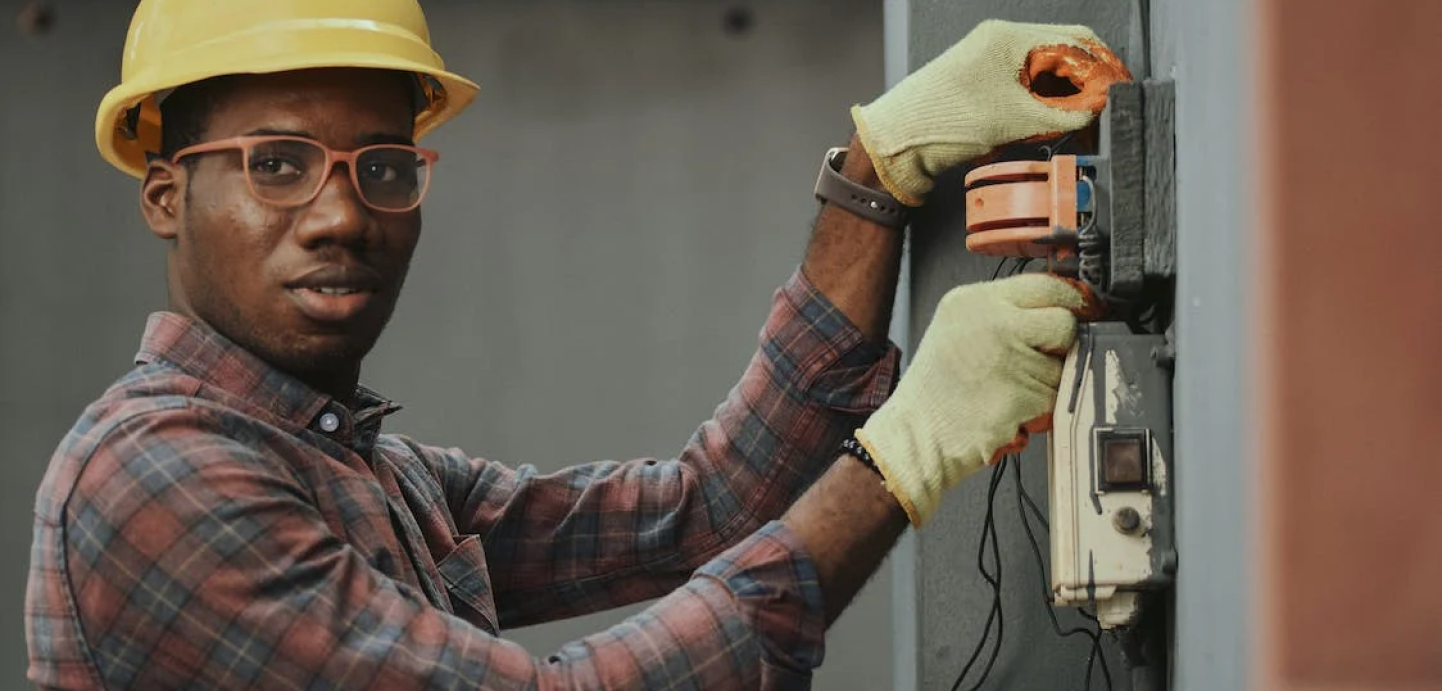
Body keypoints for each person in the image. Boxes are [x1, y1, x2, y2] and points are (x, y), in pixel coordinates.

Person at [24, 1, 1123, 689]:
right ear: (165, 196)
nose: (340, 215)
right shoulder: (155, 477)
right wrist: (902, 456)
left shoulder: (366, 471)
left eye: (384, 168)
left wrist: (876, 172)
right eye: (276, 163)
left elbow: (700, 511)